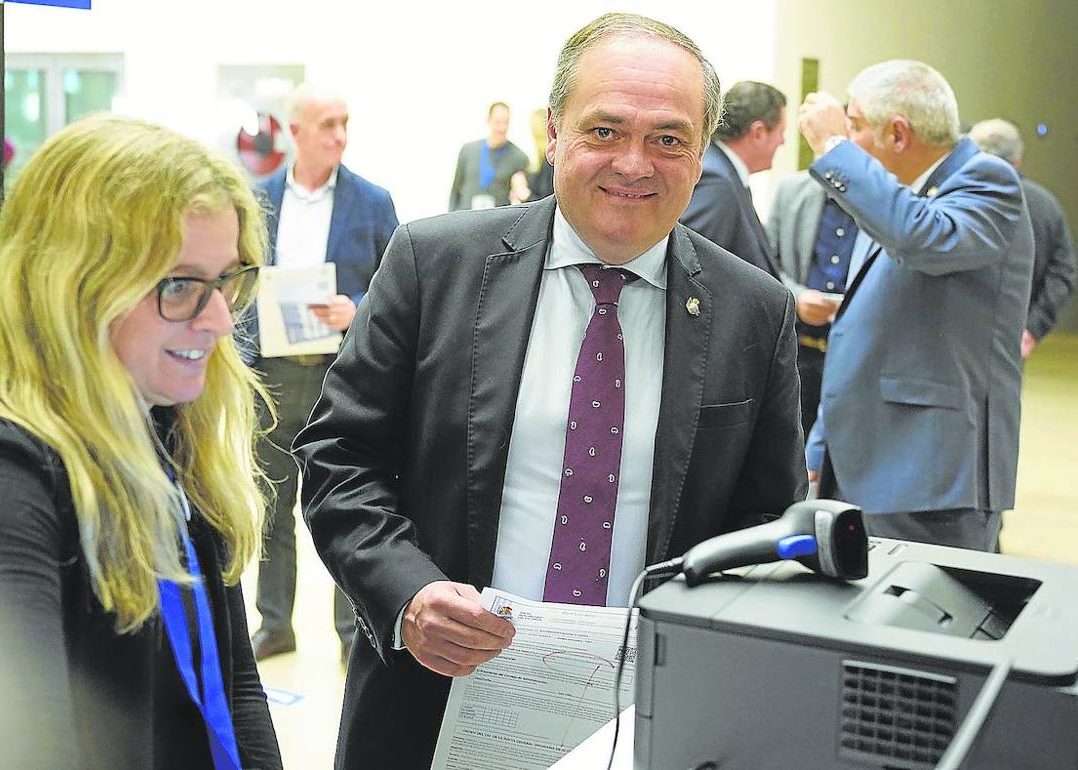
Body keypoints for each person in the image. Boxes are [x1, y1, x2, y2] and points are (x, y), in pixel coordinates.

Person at [294, 12, 806, 768]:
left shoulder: (751, 310)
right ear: (553, 132)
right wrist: (406, 595)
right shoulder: (435, 266)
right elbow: (340, 455)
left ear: (700, 154)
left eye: (668, 139)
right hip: (434, 701)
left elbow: (767, 520)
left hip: (649, 722)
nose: (634, 163)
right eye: (604, 130)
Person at [0, 114, 283, 770]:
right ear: (73, 289)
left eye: (226, 281)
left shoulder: (164, 434)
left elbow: (233, 688)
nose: (220, 319)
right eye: (181, 286)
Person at [798, 60, 1033, 552]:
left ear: (898, 135)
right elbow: (860, 330)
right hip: (861, 458)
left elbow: (922, 237)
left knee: (926, 621)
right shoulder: (891, 194)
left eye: (856, 126)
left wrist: (832, 148)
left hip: (930, 475)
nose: (850, 138)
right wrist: (822, 443)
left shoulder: (987, 180)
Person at [248, 84, 399, 662]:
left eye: (345, 122)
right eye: (327, 124)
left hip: (342, 374)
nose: (340, 134)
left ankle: (349, 632)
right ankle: (274, 624)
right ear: (295, 133)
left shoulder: (373, 201)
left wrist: (356, 307)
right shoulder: (256, 198)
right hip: (273, 374)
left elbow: (398, 288)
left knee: (346, 499)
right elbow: (237, 280)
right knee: (271, 504)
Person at [969, 118, 1078, 358]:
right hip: (1012, 337)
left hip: (954, 338)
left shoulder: (955, 197)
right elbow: (1063, 273)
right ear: (1018, 159)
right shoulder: (1045, 205)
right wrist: (1032, 329)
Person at [765, 171, 858, 434]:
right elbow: (765, 264)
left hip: (855, 354)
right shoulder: (791, 190)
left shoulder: (883, 199)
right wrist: (796, 297)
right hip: (798, 351)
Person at [680, 80, 787, 278]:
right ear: (758, 133)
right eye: (781, 132)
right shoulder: (716, 183)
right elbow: (694, 269)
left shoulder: (726, 174)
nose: (783, 141)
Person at [449, 101, 531, 210]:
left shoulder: (519, 157)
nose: (502, 128)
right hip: (466, 219)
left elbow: (523, 196)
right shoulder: (468, 150)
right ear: (488, 121)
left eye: (505, 122)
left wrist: (523, 194)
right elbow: (456, 189)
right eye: (498, 122)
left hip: (496, 222)